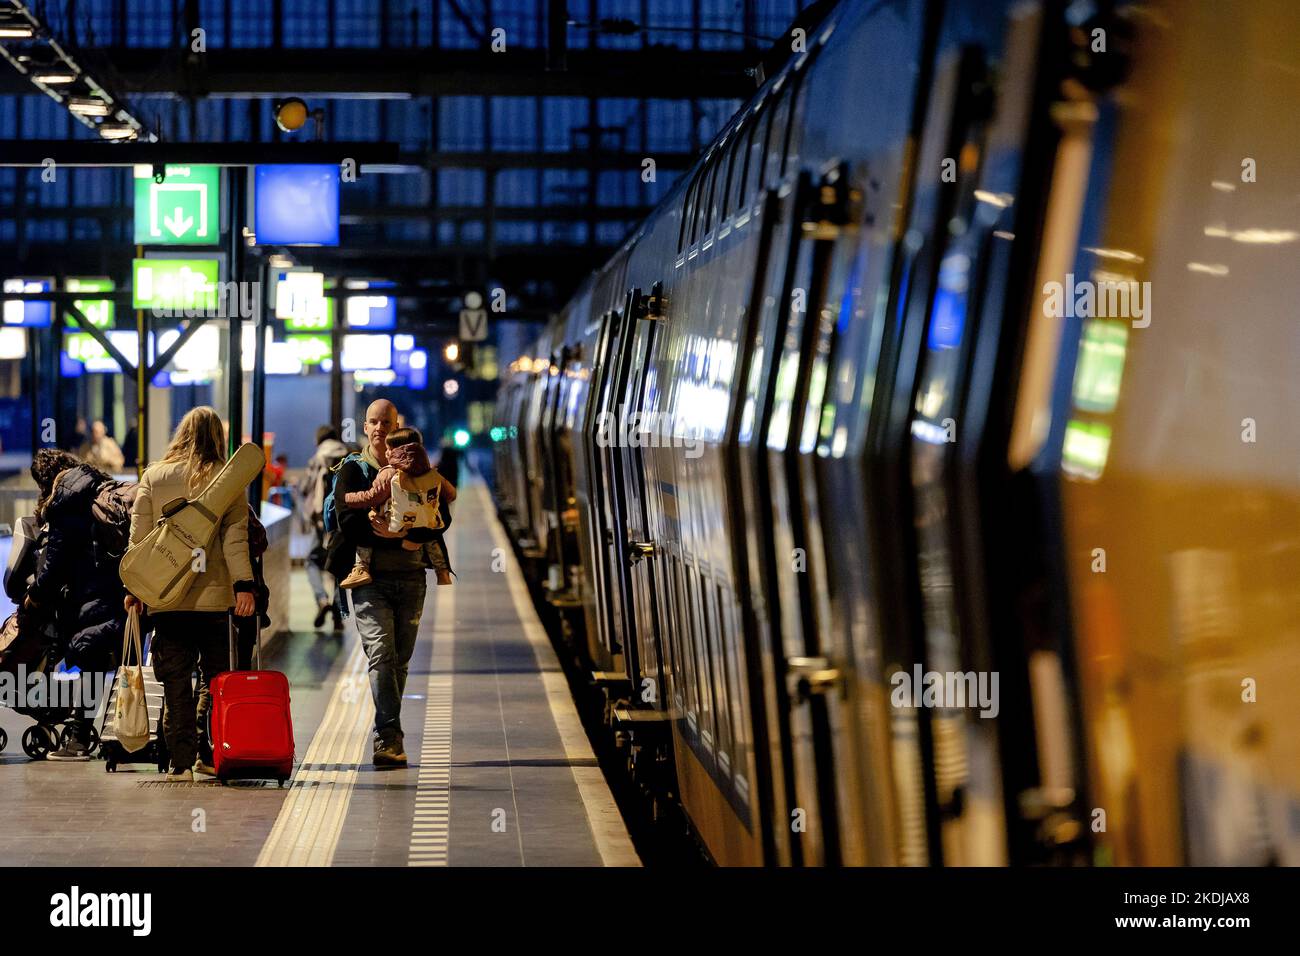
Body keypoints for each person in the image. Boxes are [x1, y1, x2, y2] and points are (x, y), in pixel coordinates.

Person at [124, 406, 257, 782]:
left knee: (175, 681)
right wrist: (243, 585)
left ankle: (180, 764)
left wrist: (135, 590)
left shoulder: (154, 475)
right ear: (218, 437)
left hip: (166, 598)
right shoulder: (227, 480)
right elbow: (236, 539)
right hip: (213, 600)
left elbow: (140, 542)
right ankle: (208, 753)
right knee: (215, 681)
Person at [327, 399, 431, 768]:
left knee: (400, 660)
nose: (379, 428)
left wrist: (412, 534)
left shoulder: (416, 465)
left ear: (396, 424)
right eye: (372, 422)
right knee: (381, 654)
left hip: (412, 575)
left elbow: (439, 515)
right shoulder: (352, 470)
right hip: (369, 577)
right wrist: (391, 533)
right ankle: (388, 735)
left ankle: (390, 730)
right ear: (364, 426)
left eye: (385, 422)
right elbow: (345, 520)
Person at [22, 449, 127, 761]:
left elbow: (54, 562)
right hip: (121, 589)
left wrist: (35, 594)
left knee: (91, 659)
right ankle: (110, 733)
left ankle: (81, 738)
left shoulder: (66, 500)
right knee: (111, 659)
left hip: (93, 594)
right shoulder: (98, 486)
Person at [338, 426, 456, 589]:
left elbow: (373, 496)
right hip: (421, 523)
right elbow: (451, 495)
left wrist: (349, 498)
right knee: (432, 529)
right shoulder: (431, 474)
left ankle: (361, 568)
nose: (387, 453)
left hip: (394, 520)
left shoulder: (390, 474)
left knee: (372, 519)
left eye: (389, 449)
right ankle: (442, 570)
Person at [299, 425, 349, 630]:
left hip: (322, 522)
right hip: (343, 522)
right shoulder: (348, 455)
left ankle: (321, 600)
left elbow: (305, 488)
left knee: (311, 561)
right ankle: (338, 614)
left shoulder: (318, 458)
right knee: (339, 566)